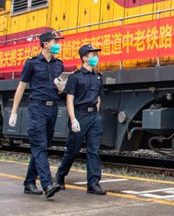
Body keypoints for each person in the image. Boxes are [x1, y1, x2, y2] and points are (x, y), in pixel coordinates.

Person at [8, 31, 65, 199]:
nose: (57, 45)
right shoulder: (32, 63)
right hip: (37, 108)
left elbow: (62, 90)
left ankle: (29, 182)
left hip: (52, 108)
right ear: (45, 44)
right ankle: (47, 184)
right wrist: (14, 112)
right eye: (55, 42)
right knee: (39, 145)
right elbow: (21, 87)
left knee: (42, 145)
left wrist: (61, 88)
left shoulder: (58, 65)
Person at [56, 44, 106, 195]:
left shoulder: (98, 77)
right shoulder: (75, 77)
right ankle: (60, 175)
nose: (95, 58)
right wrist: (73, 119)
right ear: (84, 58)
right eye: (92, 55)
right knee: (73, 149)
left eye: (96, 55)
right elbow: (69, 99)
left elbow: (98, 96)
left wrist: (97, 112)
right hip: (79, 115)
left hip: (93, 117)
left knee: (94, 150)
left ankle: (93, 183)